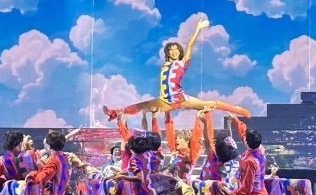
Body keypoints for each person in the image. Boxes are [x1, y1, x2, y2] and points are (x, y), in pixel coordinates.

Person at [102, 18, 251, 149]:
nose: (174, 51)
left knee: (209, 104)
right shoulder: (165, 66)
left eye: (176, 49)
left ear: (179, 52)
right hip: (165, 101)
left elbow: (190, 46)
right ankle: (114, 113)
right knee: (141, 105)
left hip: (180, 98)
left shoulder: (182, 63)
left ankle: (240, 110)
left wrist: (197, 29)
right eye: (171, 50)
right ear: (168, 53)